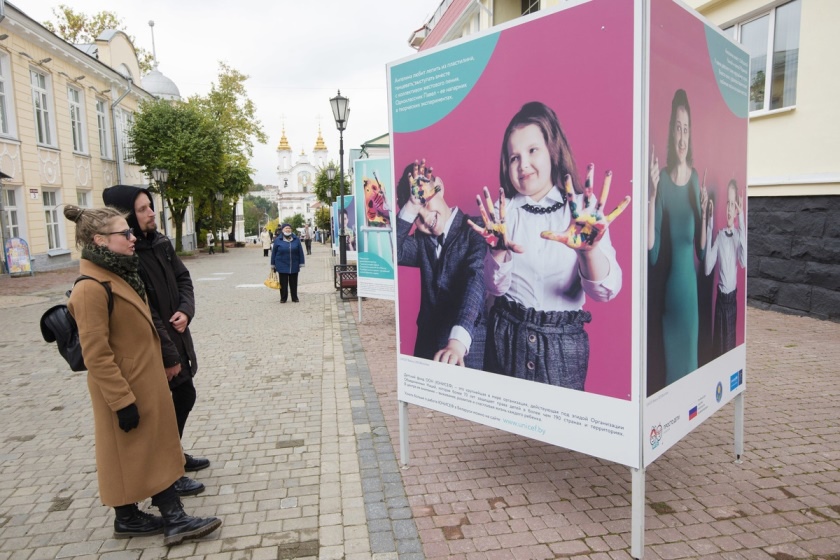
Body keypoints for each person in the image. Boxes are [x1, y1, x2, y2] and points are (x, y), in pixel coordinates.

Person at [63, 205, 222, 546]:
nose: (132, 237)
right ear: (100, 240)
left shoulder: (122, 274)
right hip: (124, 387)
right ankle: (175, 519)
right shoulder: (91, 288)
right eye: (124, 233)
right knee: (148, 449)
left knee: (137, 450)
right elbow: (96, 354)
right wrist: (122, 401)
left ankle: (127, 518)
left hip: (143, 381)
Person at [468, 101, 630, 390]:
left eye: (533, 150)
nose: (523, 164)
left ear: (553, 149)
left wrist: (589, 251)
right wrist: (497, 251)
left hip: (562, 349)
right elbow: (495, 288)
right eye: (514, 157)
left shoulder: (583, 210)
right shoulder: (503, 213)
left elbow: (606, 291)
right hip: (507, 340)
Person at [103, 185, 210, 497]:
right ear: (126, 218)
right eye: (142, 209)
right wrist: (168, 355)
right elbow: (144, 311)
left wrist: (186, 310)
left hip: (175, 335)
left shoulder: (160, 243)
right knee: (162, 408)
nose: (152, 213)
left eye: (150, 206)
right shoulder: (127, 256)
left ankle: (173, 456)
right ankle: (167, 472)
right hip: (153, 346)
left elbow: (183, 278)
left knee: (184, 396)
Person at [397, 159, 488, 369]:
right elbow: (393, 251)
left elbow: (476, 280)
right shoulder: (421, 243)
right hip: (427, 349)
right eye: (416, 215)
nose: (425, 217)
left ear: (439, 187)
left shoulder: (476, 229)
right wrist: (411, 207)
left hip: (466, 350)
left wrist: (457, 343)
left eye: (425, 203)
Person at [648, 89, 708, 386]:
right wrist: (650, 197)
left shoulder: (695, 179)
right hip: (669, 295)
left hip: (690, 296)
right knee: (672, 373)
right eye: (678, 128)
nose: (682, 138)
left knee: (690, 368)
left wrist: (705, 216)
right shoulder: (661, 179)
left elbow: (701, 251)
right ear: (671, 132)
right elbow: (652, 251)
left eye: (686, 129)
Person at [704, 179, 746, 357]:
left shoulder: (739, 237)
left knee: (729, 350)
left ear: (737, 209)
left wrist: (742, 219)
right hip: (720, 302)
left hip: (731, 302)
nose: (729, 209)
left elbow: (743, 261)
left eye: (733, 204)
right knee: (717, 351)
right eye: (728, 203)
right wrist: (709, 224)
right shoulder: (720, 236)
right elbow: (707, 269)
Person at [271, 223, 305, 303]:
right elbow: (274, 253)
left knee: (294, 282)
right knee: (283, 283)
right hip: (281, 264)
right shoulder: (278, 240)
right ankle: (283, 298)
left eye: (289, 228)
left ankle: (294, 297)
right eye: (286, 228)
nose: (288, 230)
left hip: (294, 263)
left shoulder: (296, 239)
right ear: (283, 230)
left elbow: (300, 251)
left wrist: (301, 262)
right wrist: (273, 264)